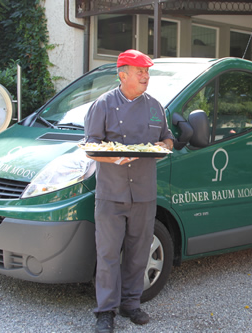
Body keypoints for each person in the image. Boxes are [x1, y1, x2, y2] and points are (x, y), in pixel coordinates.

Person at [83, 49, 174, 333]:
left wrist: (165, 147)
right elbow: (91, 145)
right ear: (123, 75)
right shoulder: (103, 105)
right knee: (108, 254)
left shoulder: (154, 106)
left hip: (144, 192)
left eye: (147, 72)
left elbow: (167, 138)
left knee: (138, 252)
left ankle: (131, 304)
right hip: (112, 192)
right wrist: (113, 157)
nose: (146, 77)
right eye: (140, 72)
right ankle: (105, 311)